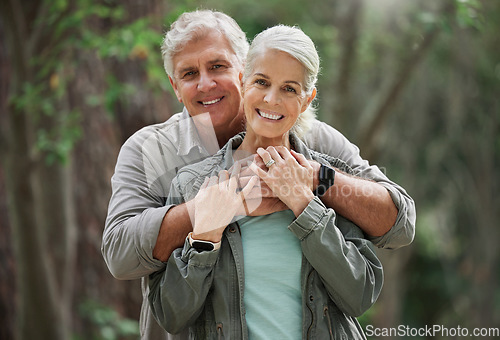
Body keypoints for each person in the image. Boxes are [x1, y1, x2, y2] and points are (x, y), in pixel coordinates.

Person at [102, 10, 415, 340]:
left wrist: (314, 179)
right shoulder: (153, 151)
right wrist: (211, 209)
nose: (205, 83)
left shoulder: (315, 141)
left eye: (217, 66)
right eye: (190, 73)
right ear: (175, 87)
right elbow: (119, 256)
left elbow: (399, 224)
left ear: (241, 67)